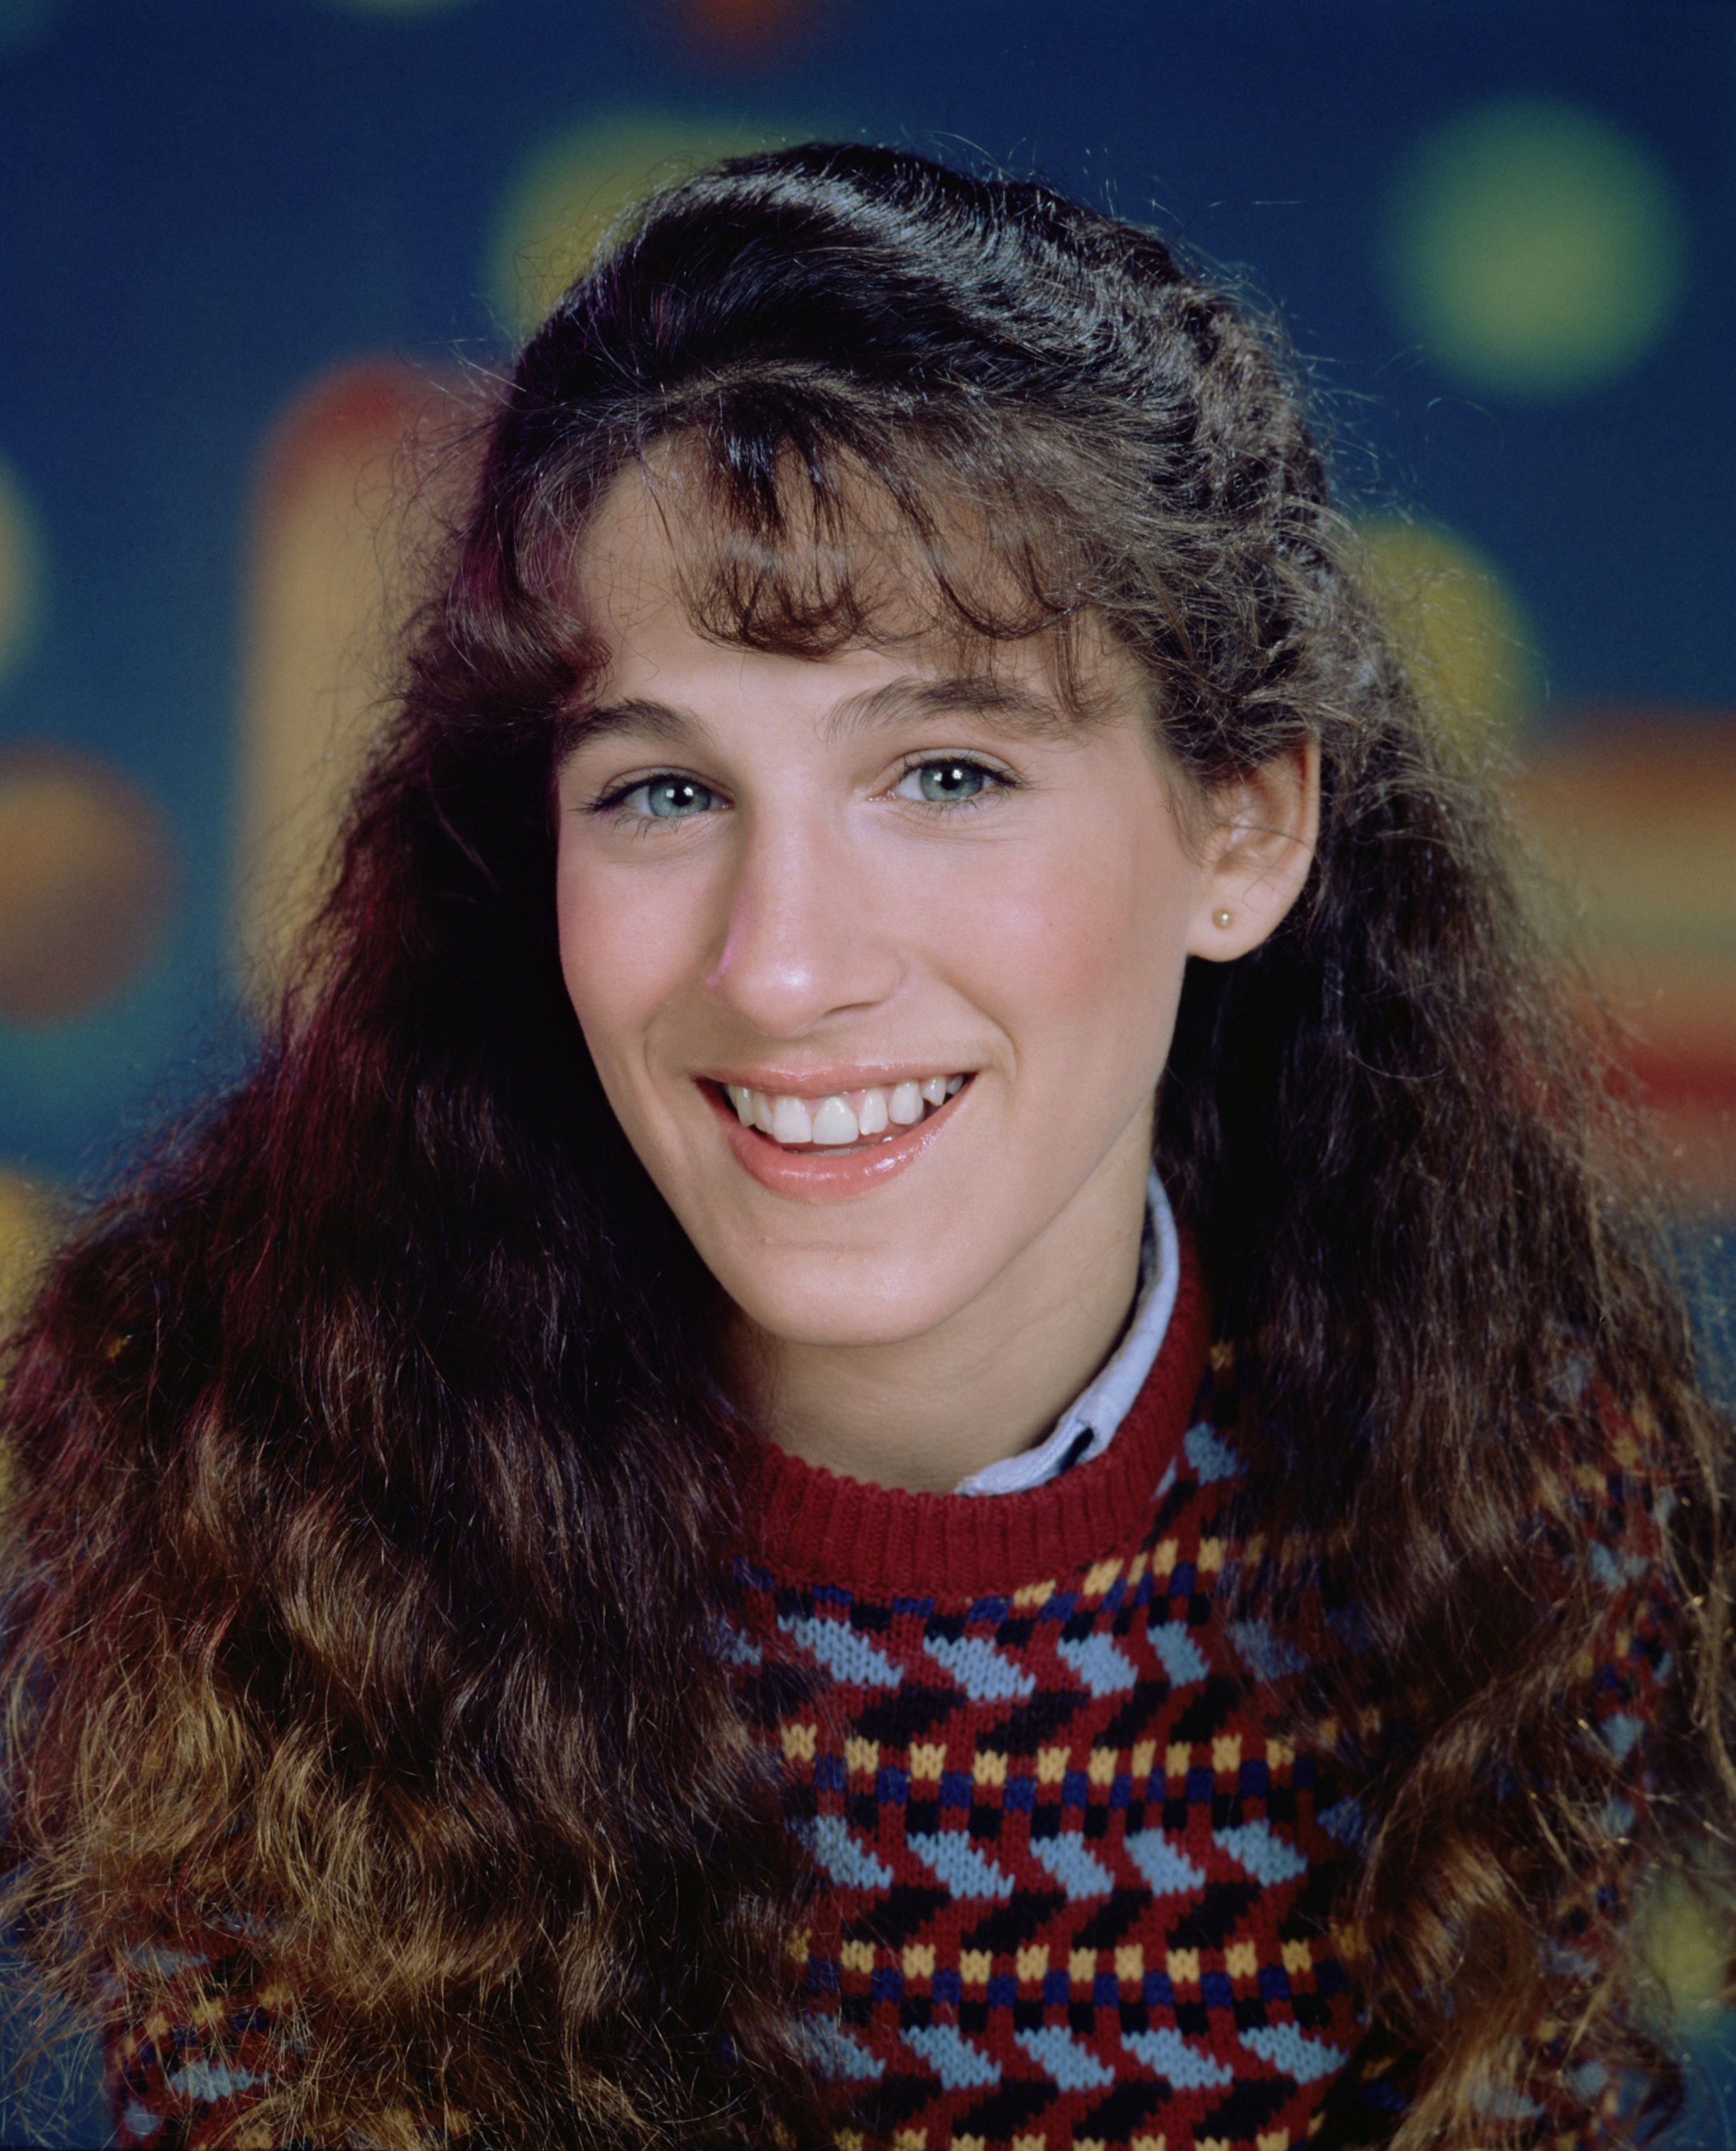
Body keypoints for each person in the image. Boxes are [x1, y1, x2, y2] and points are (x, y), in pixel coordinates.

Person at [0, 142, 1728, 2151]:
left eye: (948, 769)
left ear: (1244, 826)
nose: (783, 965)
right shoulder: (254, 1541)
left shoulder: (1520, 1532)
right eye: (661, 791)